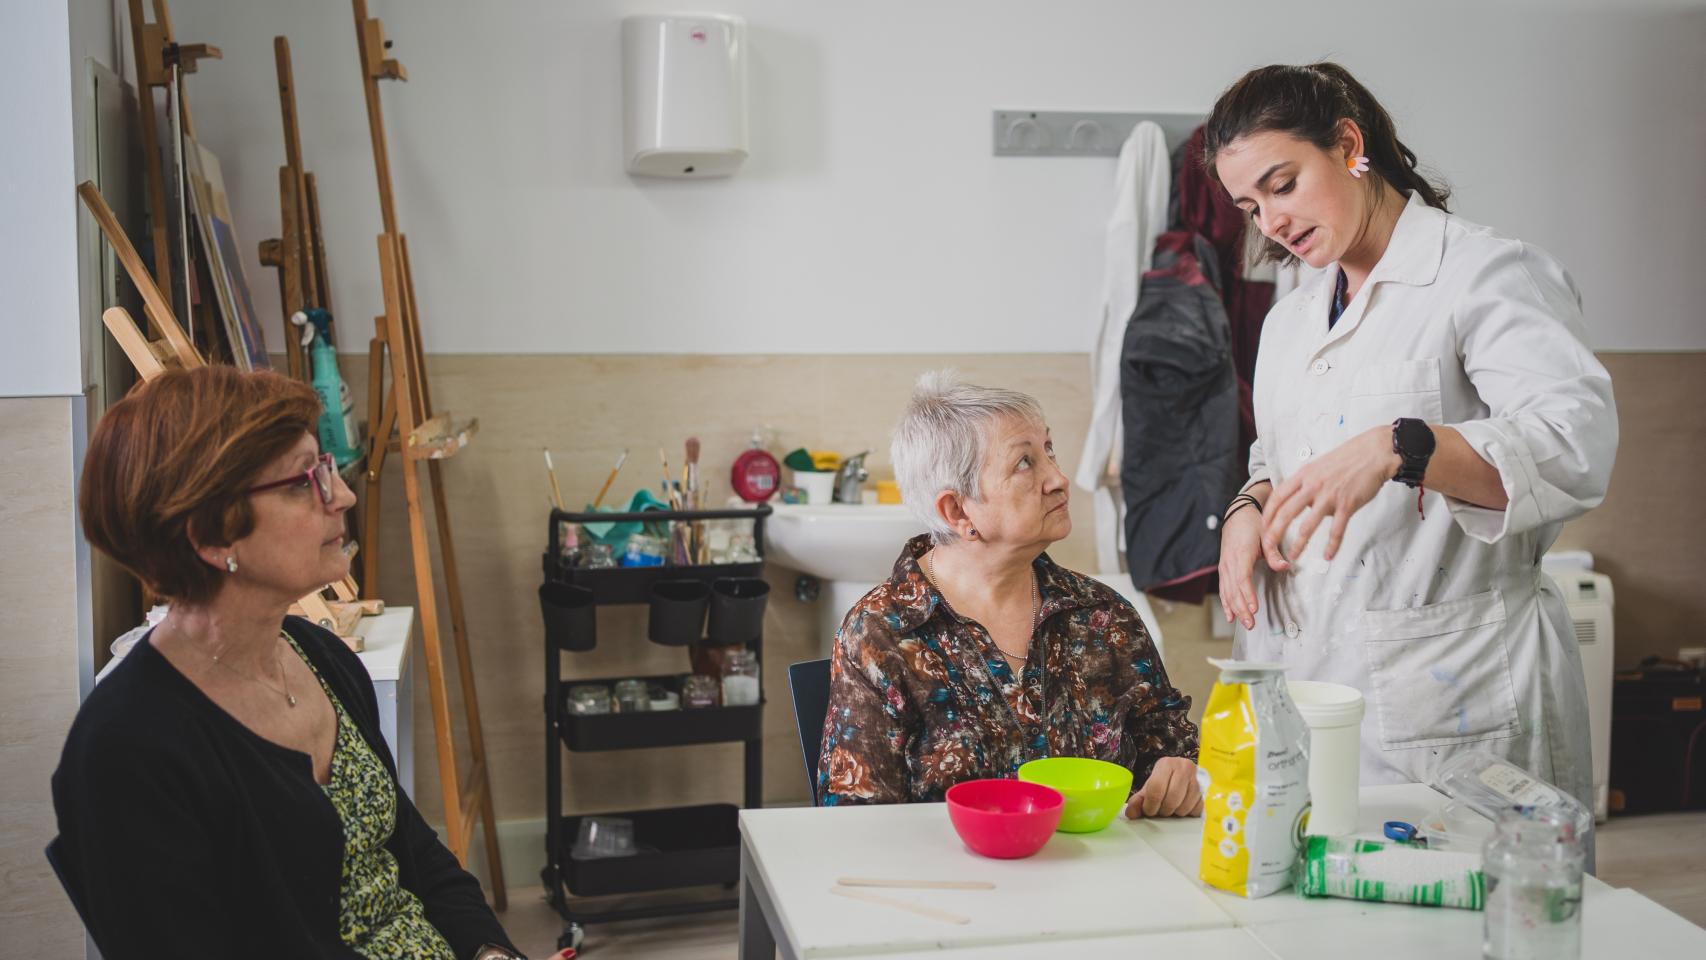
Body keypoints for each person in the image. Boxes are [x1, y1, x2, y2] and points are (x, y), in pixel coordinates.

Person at [1207, 63, 1617, 810]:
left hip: (1449, 695)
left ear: (1350, 145)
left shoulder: (1485, 274)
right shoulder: (1292, 317)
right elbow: (1281, 454)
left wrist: (1404, 446)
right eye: (1249, 205)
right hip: (1301, 677)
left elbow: (1574, 443)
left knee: (1468, 915)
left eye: (1283, 184)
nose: (1271, 223)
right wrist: (1247, 507)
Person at [52, 367, 522, 960]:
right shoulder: (126, 750)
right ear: (209, 533)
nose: (343, 495)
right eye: (305, 482)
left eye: (325, 469)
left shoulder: (319, 654)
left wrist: (489, 951)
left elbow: (412, 851)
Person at [817, 372, 1202, 817]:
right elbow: (854, 819)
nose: (1059, 478)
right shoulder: (881, 635)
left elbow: (1170, 745)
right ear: (957, 510)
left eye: (1049, 451)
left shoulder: (1103, 615)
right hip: (951, 882)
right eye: (1024, 463)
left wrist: (1176, 774)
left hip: (1098, 874)